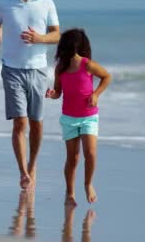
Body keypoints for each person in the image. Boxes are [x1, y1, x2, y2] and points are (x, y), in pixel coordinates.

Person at [0, 0, 60, 191]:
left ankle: (33, 163)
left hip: (38, 69)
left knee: (36, 123)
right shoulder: (3, 3)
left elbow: (57, 34)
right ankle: (23, 172)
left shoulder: (46, 2)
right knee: (20, 122)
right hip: (11, 69)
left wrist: (40, 38)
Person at [46, 28, 111, 206]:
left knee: (90, 153)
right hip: (69, 118)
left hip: (89, 116)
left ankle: (88, 184)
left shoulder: (87, 65)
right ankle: (70, 192)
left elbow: (106, 77)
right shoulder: (60, 69)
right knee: (73, 158)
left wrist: (96, 94)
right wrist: (52, 94)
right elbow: (58, 92)